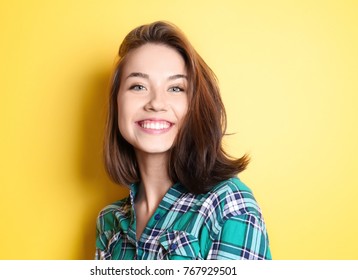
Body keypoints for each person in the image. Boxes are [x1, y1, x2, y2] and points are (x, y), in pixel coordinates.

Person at [95, 21, 271, 260]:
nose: (156, 103)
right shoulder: (109, 222)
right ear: (117, 104)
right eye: (138, 86)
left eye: (176, 88)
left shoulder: (229, 207)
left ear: (196, 105)